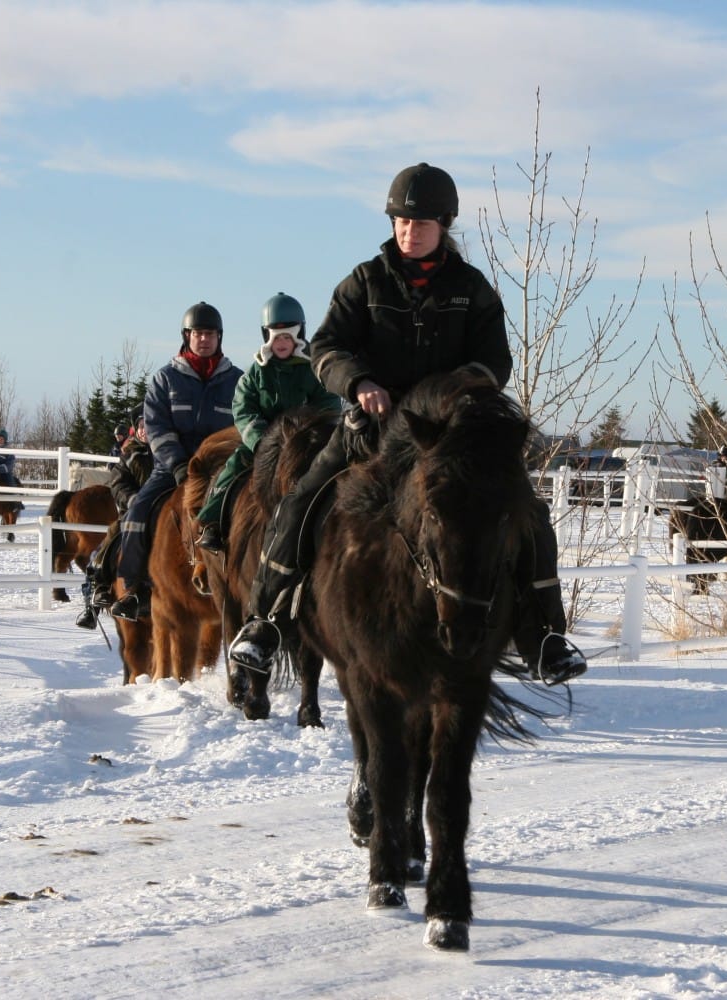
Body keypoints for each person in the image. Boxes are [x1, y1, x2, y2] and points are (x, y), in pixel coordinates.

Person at [226, 162, 587, 685]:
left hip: (447, 439)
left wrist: (452, 392)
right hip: (370, 433)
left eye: (419, 223)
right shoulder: (364, 281)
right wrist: (358, 382)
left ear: (444, 225)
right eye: (400, 221)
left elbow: (495, 361)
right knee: (300, 502)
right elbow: (326, 347)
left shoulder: (471, 287)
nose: (408, 231)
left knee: (527, 513)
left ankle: (546, 636)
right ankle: (265, 622)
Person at [109, 302, 242, 621]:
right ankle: (137, 588)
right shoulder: (165, 380)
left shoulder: (237, 380)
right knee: (138, 512)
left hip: (222, 469)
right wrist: (179, 464)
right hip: (173, 468)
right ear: (187, 336)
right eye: (198, 333)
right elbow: (156, 427)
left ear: (219, 338)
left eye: (210, 334)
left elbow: (243, 425)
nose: (204, 339)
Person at [193, 293, 343, 554]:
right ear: (266, 337)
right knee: (232, 468)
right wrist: (259, 439)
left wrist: (309, 436)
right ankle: (212, 521)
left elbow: (329, 405)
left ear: (299, 336)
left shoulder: (313, 370)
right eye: (276, 337)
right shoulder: (257, 372)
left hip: (304, 446)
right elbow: (242, 406)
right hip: (263, 446)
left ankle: (341, 523)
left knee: (336, 469)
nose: (281, 343)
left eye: (287, 337)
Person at [76, 417, 152, 629]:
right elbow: (117, 483)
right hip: (134, 511)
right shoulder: (129, 454)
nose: (145, 431)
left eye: (149, 426)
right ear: (136, 429)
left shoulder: (166, 451)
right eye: (141, 427)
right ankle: (96, 595)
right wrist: (134, 500)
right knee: (112, 537)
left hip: (163, 510)